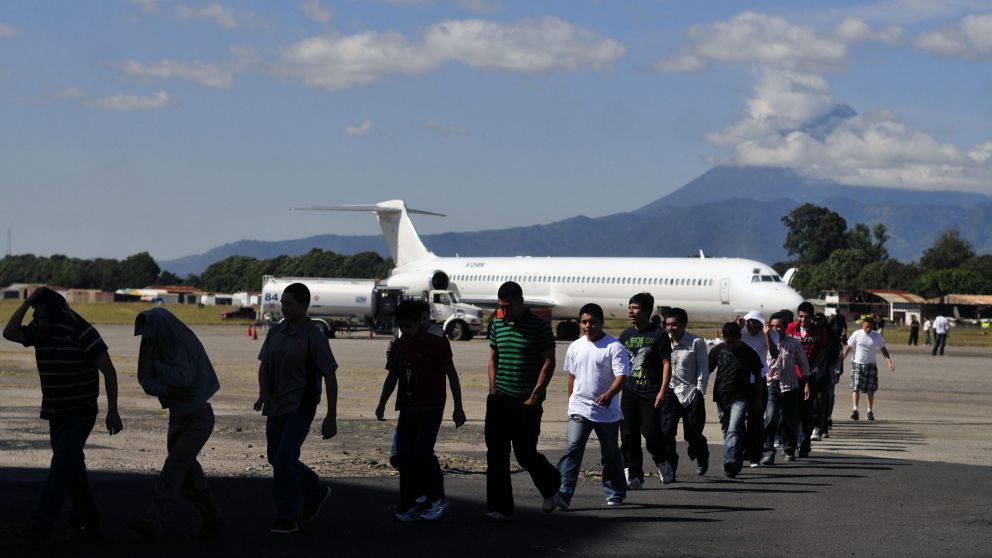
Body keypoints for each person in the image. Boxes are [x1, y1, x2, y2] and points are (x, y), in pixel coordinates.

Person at [2, 287, 123, 547]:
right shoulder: (40, 330)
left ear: (57, 314)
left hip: (80, 410)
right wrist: (29, 302)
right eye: (37, 316)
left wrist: (113, 411)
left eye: (43, 317)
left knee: (60, 468)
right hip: (56, 410)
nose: (38, 321)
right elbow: (9, 332)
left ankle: (40, 526)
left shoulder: (82, 331)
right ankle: (90, 524)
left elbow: (109, 371)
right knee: (72, 470)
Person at [127, 308, 223, 542]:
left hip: (197, 418)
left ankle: (154, 521)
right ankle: (212, 517)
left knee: (173, 469)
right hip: (179, 417)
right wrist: (167, 388)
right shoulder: (153, 341)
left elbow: (183, 379)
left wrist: (158, 367)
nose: (148, 340)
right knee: (189, 473)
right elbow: (145, 379)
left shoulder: (183, 343)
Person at [254, 282, 338, 534]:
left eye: (289, 303)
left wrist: (330, 416)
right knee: (275, 457)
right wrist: (263, 394)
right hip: (277, 405)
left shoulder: (314, 337)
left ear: (304, 305)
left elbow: (330, 376)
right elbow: (265, 365)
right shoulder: (276, 332)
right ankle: (315, 490)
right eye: (283, 303)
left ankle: (287, 514)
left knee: (285, 457)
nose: (284, 308)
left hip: (301, 406)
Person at [375, 301, 466, 522]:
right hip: (407, 405)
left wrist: (458, 407)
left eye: (409, 326)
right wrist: (382, 403)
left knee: (423, 452)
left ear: (420, 323)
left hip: (431, 405)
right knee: (404, 455)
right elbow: (392, 376)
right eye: (402, 326)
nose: (405, 331)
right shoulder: (398, 344)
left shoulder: (436, 342)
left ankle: (437, 497)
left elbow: (451, 374)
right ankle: (411, 502)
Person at [484, 281, 561, 522]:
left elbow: (549, 362)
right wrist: (493, 387)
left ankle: (551, 484)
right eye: (500, 307)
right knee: (496, 455)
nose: (504, 311)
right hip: (499, 400)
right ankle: (500, 508)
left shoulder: (540, 327)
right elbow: (493, 358)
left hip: (526, 402)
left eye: (507, 307)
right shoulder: (497, 325)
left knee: (525, 454)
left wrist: (535, 395)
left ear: (520, 302)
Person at [556, 303, 630, 509]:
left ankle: (615, 491)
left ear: (601, 323)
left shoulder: (614, 346)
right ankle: (563, 492)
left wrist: (609, 394)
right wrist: (571, 401)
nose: (588, 326)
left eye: (592, 322)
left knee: (610, 454)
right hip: (579, 409)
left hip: (606, 412)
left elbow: (621, 376)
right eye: (584, 322)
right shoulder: (575, 346)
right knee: (572, 449)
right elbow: (572, 375)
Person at [618, 293, 671, 489]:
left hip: (651, 393)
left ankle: (662, 460)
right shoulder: (625, 335)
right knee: (628, 435)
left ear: (647, 311)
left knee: (650, 434)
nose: (631, 311)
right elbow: (619, 364)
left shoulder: (658, 335)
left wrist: (662, 391)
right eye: (630, 307)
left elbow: (666, 363)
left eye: (636, 308)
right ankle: (634, 475)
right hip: (630, 392)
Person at [658, 307, 710, 482]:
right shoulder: (663, 342)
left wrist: (699, 392)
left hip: (690, 393)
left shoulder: (696, 342)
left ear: (684, 324)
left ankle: (702, 453)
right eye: (667, 324)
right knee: (666, 432)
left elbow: (703, 369)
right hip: (670, 392)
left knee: (692, 434)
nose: (670, 328)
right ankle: (670, 466)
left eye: (674, 324)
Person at [708, 323, 763, 478]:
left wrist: (758, 399)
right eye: (727, 342)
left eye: (734, 342)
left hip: (741, 397)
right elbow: (706, 370)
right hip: (721, 397)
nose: (730, 345)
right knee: (727, 430)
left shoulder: (749, 353)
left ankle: (729, 461)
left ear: (740, 338)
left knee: (733, 429)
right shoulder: (717, 351)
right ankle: (736, 459)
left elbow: (758, 377)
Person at [762, 312, 810, 464]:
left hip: (791, 386)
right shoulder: (766, 341)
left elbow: (803, 364)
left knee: (789, 420)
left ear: (785, 327)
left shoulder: (794, 344)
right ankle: (768, 452)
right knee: (770, 417)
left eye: (779, 326)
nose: (776, 329)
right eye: (773, 326)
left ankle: (789, 448)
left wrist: (807, 383)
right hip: (773, 385)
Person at [786, 301, 828, 456]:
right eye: (801, 316)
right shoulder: (790, 328)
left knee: (807, 411)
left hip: (810, 374)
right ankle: (790, 445)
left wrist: (811, 369)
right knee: (791, 411)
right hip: (791, 375)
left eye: (807, 317)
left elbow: (823, 351)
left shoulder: (819, 331)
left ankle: (804, 444)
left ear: (812, 317)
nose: (804, 320)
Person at [738, 311, 777, 467]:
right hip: (740, 380)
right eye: (749, 323)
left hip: (759, 380)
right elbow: (727, 342)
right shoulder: (741, 330)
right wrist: (738, 327)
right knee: (738, 419)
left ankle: (755, 456)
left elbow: (774, 354)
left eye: (756, 323)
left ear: (762, 324)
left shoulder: (770, 333)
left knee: (756, 419)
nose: (752, 326)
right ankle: (740, 452)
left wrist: (766, 334)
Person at [844, 316, 895, 421]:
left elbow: (883, 349)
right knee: (856, 387)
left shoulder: (876, 336)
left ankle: (869, 411)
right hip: (857, 364)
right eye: (866, 327)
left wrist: (889, 362)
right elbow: (848, 348)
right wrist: (841, 359)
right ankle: (855, 410)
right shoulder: (856, 334)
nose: (868, 329)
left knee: (870, 390)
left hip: (871, 365)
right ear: (863, 325)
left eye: (870, 327)